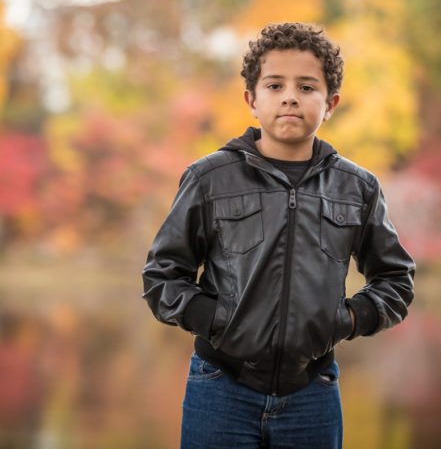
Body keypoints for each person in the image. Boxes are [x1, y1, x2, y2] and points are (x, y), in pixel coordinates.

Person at [142, 22, 416, 449]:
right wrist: (217, 324)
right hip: (220, 388)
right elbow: (162, 276)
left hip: (313, 391)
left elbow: (395, 280)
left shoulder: (357, 188)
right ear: (252, 100)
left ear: (331, 104)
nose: (290, 96)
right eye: (275, 85)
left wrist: (347, 320)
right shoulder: (209, 178)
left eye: (307, 87)